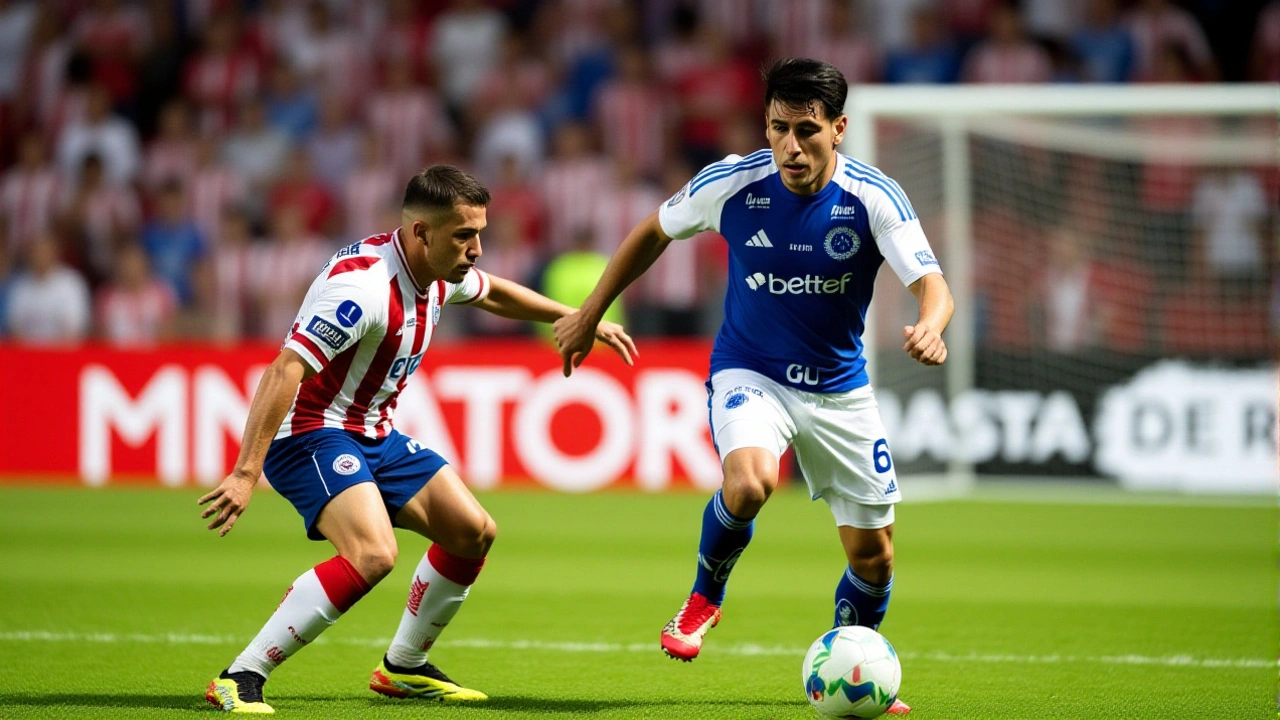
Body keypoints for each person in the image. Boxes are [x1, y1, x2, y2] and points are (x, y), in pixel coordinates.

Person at [554, 58, 953, 716]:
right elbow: (653, 230)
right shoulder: (734, 184)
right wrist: (591, 311)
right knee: (748, 484)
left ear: (839, 128)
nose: (790, 147)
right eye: (777, 129)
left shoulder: (873, 195)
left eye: (806, 130)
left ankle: (852, 658)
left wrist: (931, 325)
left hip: (838, 387)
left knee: (875, 557)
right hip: (751, 371)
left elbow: (931, 284)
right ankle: (705, 596)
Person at [199, 165, 636, 714]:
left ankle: (402, 668)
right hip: (311, 432)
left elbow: (493, 294)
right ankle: (241, 675)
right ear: (420, 232)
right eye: (464, 235)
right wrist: (245, 473)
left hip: (371, 433)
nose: (476, 248)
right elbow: (283, 371)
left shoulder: (439, 270)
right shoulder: (361, 290)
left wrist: (579, 317)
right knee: (372, 554)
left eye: (479, 233)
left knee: (472, 532)